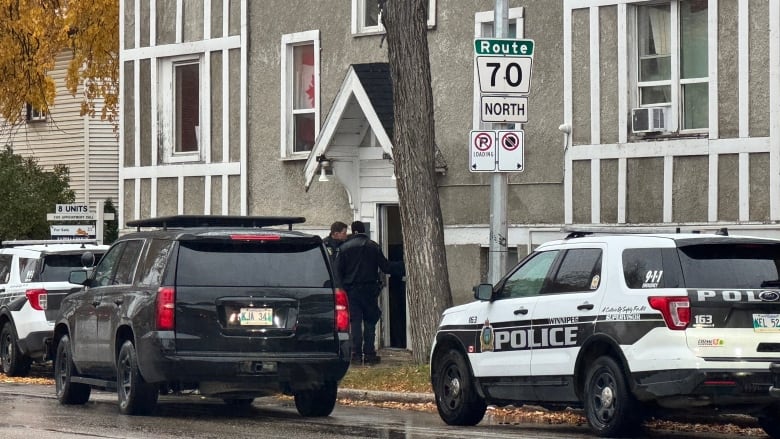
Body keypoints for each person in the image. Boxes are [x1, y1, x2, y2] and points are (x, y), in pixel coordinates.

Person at [335, 220, 402, 365]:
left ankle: (356, 354)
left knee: (355, 322)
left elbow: (337, 272)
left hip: (351, 291)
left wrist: (341, 290)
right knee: (370, 321)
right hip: (370, 290)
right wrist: (403, 265)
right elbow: (386, 267)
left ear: (353, 231)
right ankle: (370, 353)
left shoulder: (344, 248)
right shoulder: (373, 246)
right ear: (364, 231)